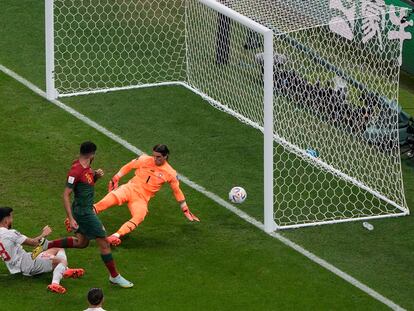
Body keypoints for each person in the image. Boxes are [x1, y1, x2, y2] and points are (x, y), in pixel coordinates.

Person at [32, 141, 133, 288]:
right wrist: (71, 218)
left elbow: (84, 183)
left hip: (84, 210)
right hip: (84, 213)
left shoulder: (86, 168)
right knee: (104, 243)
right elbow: (66, 195)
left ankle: (47, 244)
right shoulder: (76, 171)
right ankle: (114, 276)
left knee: (82, 243)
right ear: (93, 154)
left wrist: (95, 176)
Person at [94, 144, 199, 246]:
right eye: (154, 156)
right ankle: (83, 216)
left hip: (141, 199)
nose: (155, 159)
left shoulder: (170, 173)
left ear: (165, 156)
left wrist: (185, 208)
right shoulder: (144, 159)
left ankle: (115, 236)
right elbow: (129, 166)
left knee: (139, 216)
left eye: (158, 157)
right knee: (105, 202)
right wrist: (116, 178)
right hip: (129, 188)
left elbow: (177, 191)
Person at [0, 207, 84, 294]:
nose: (12, 220)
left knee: (58, 248)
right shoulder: (10, 233)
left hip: (22, 262)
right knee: (61, 260)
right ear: (6, 220)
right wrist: (44, 234)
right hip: (27, 264)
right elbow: (34, 242)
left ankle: (66, 270)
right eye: (11, 217)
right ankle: (55, 284)